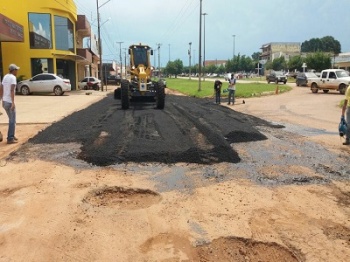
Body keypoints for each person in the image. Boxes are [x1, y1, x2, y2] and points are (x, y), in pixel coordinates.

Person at [1, 64, 19, 144]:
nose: (17, 71)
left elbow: (1, 88)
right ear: (14, 70)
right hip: (9, 102)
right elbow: (12, 90)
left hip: (5, 102)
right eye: (16, 70)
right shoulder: (13, 78)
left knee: (11, 119)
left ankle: (12, 134)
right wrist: (13, 103)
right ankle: (10, 138)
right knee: (12, 120)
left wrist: (2, 100)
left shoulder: (5, 77)